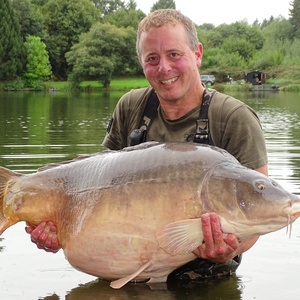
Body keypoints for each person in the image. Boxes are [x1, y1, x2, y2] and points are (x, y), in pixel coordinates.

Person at [25, 9, 268, 285]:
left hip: (200, 284)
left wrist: (229, 249)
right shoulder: (131, 107)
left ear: (197, 53)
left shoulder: (235, 119)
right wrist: (62, 227)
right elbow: (94, 189)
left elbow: (256, 215)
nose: (164, 68)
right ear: (142, 63)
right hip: (125, 270)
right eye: (152, 59)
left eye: (174, 54)